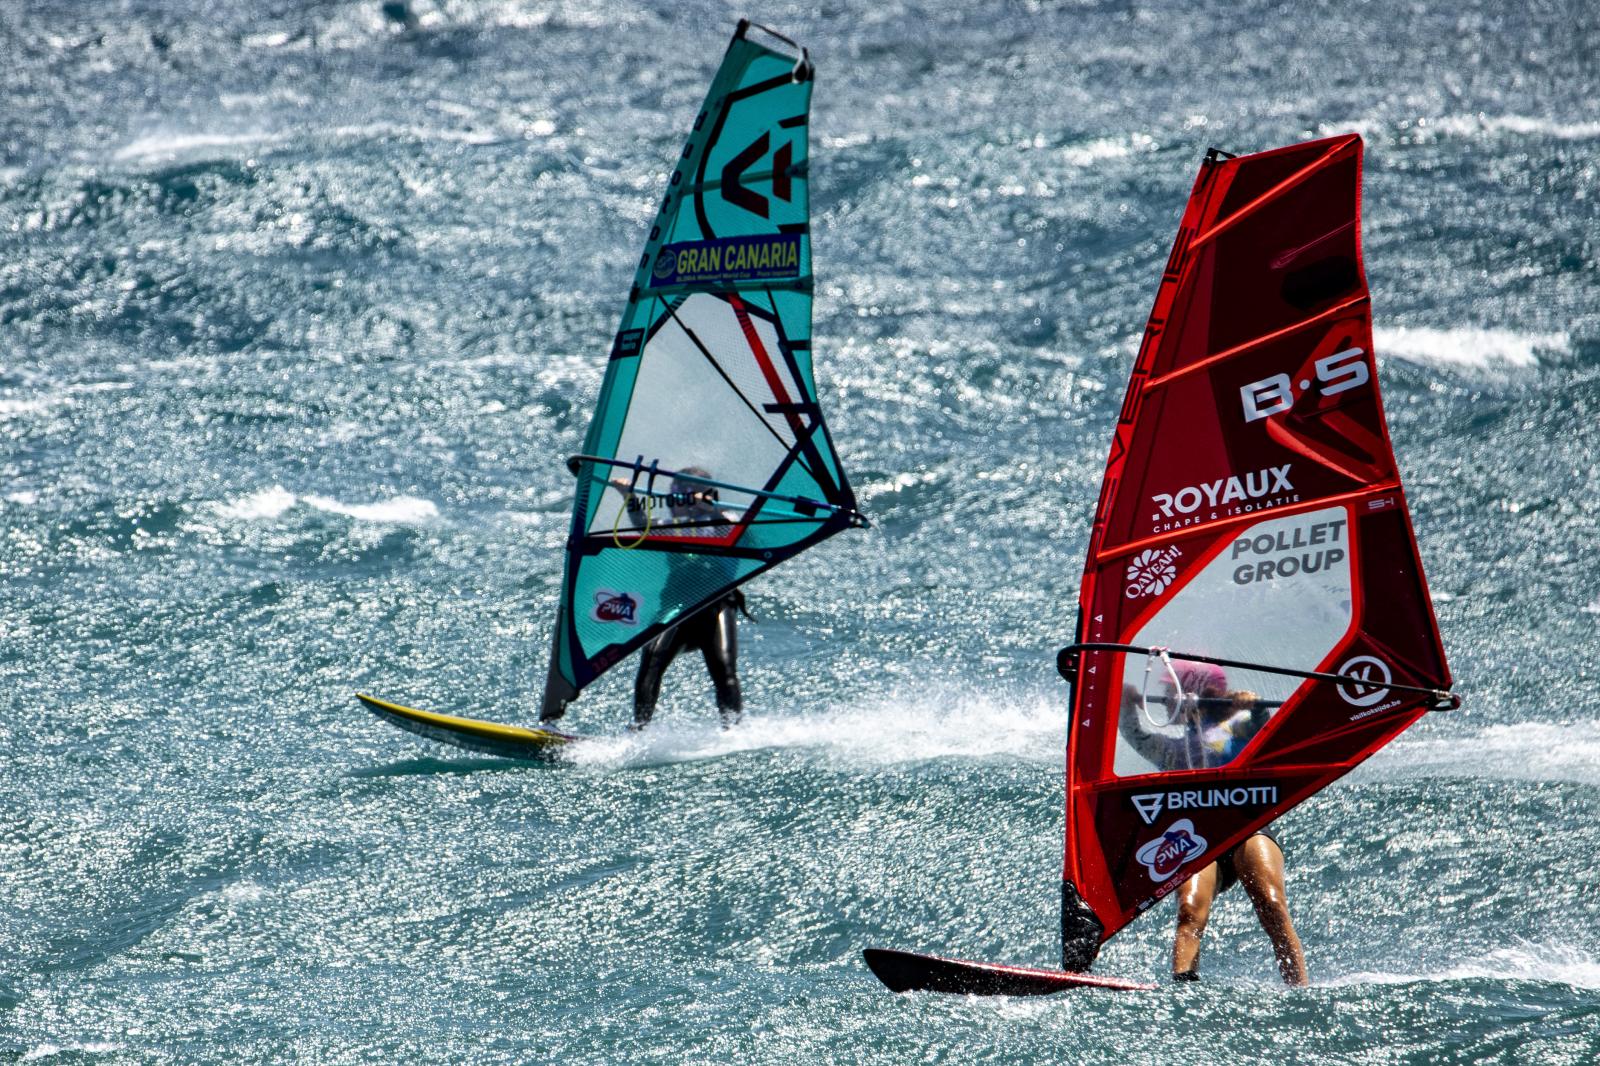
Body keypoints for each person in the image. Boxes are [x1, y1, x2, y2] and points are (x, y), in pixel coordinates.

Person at [1119, 659, 1308, 986]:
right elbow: (1134, 732)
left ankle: (1300, 988)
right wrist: (1126, 703)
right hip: (1200, 838)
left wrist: (1255, 707)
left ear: (1191, 693)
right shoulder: (1171, 751)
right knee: (1189, 912)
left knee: (1271, 903)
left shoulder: (1238, 728)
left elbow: (1268, 732)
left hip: (1247, 830)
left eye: (1169, 692)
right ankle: (1183, 994)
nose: (1164, 699)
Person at [626, 468, 746, 730]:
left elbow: (737, 528)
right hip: (675, 608)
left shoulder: (723, 522)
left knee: (724, 670)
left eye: (686, 493)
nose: (679, 500)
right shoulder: (670, 528)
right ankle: (638, 730)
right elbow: (640, 525)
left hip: (716, 606)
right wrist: (628, 494)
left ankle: (733, 731)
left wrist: (711, 509)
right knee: (651, 661)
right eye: (676, 493)